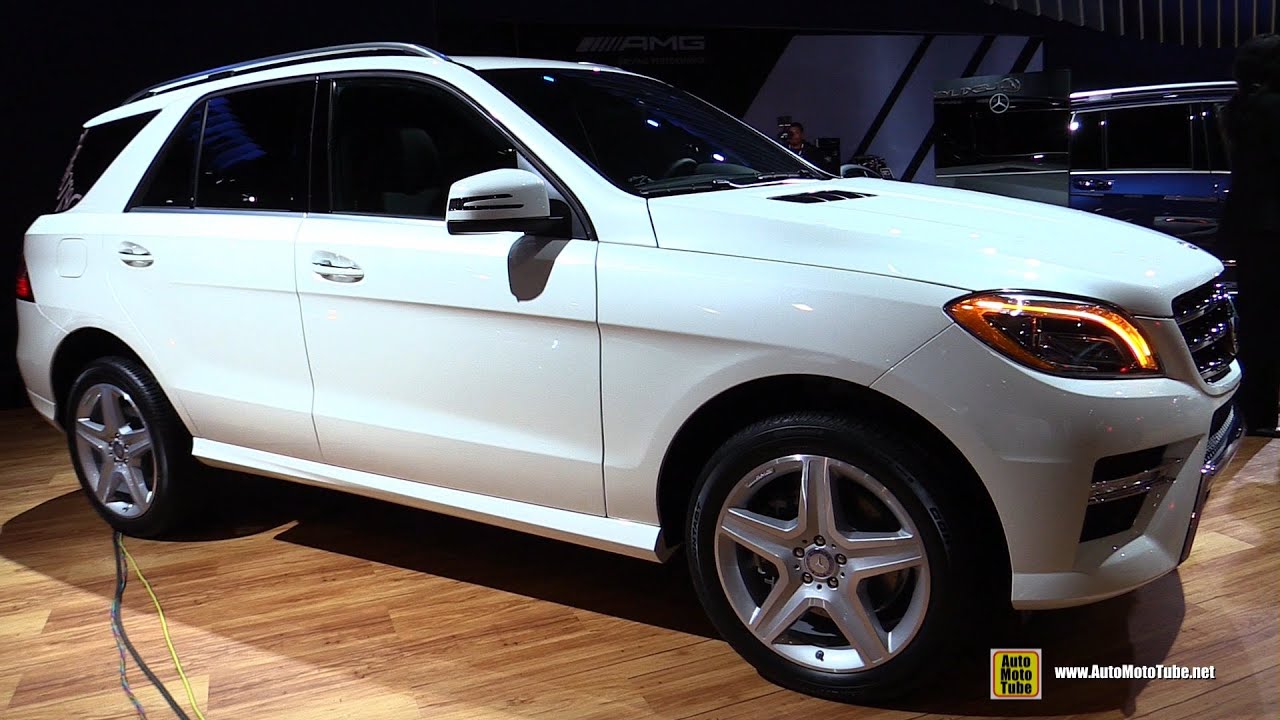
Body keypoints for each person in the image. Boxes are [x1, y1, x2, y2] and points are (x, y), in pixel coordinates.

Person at [1221, 34, 1280, 437]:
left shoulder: (1234, 108)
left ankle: (1256, 413)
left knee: (1257, 323)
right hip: (1274, 228)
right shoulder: (1274, 109)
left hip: (1249, 225)